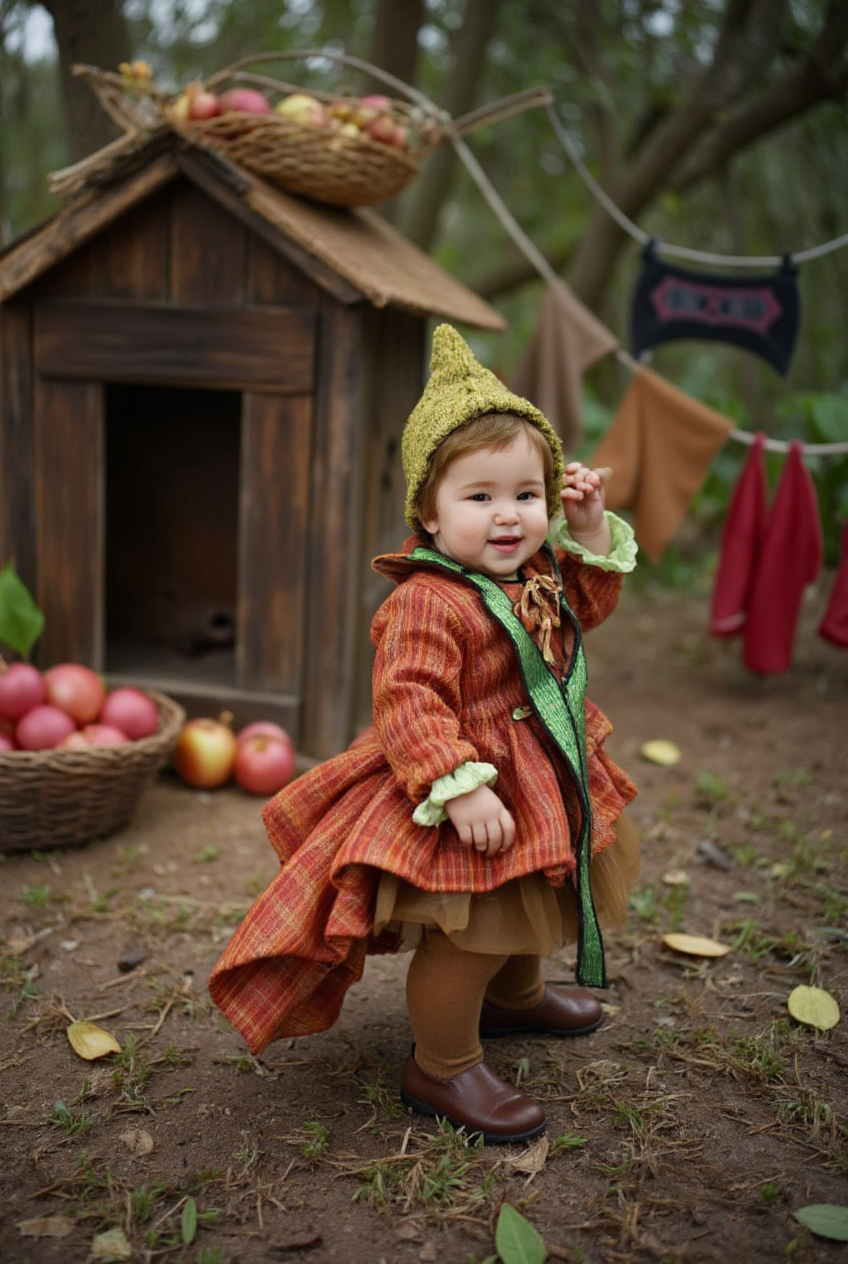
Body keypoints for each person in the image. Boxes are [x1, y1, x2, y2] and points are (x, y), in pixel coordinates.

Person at [210, 324, 639, 1144]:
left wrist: (586, 533)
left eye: (527, 494)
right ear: (431, 515)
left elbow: (577, 620)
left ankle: (514, 1001)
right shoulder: (427, 601)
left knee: (532, 891)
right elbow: (406, 699)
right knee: (472, 930)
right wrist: (461, 780)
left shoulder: (534, 574)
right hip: (457, 783)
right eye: (479, 497)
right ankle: (440, 1066)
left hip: (536, 768)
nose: (508, 515)